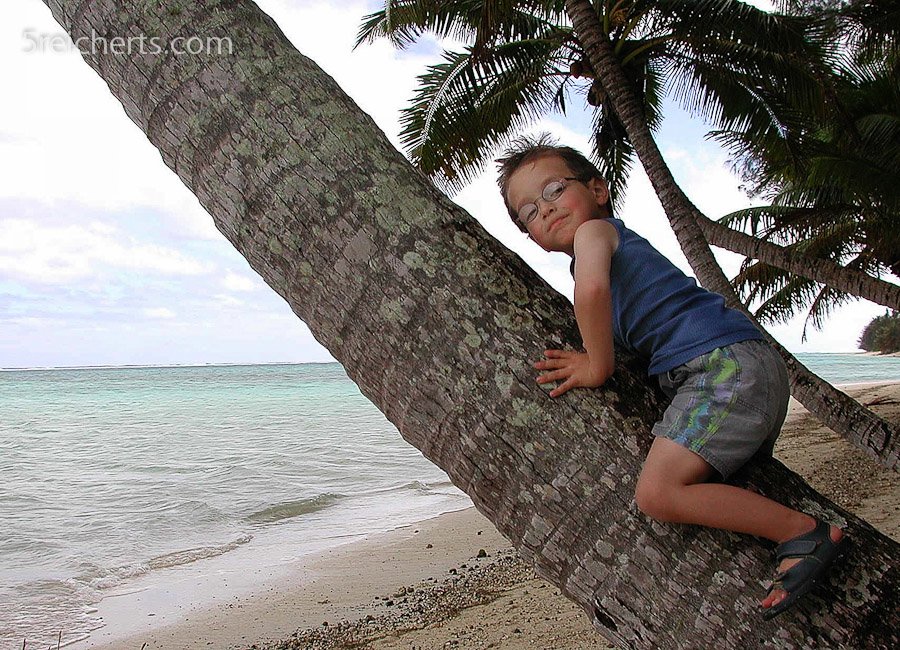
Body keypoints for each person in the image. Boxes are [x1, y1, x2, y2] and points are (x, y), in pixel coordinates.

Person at [496, 135, 848, 620]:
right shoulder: (605, 248)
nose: (546, 209)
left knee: (657, 494)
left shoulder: (595, 235)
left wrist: (596, 365)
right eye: (529, 212)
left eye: (555, 189)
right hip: (737, 370)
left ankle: (803, 533)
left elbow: (592, 290)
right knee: (702, 486)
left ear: (598, 189)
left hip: (722, 367)